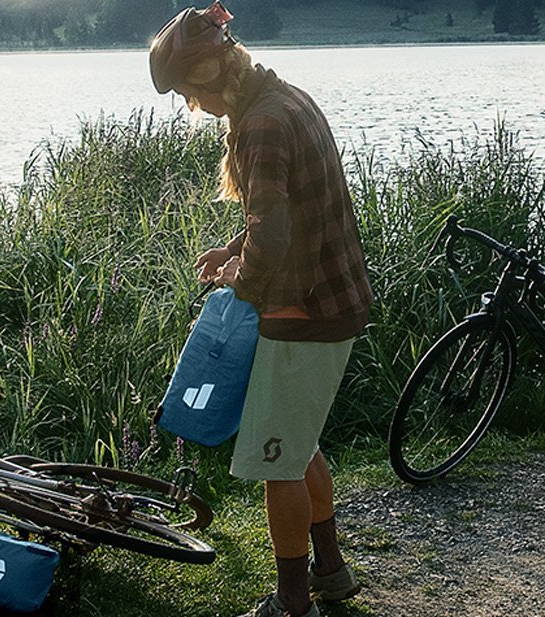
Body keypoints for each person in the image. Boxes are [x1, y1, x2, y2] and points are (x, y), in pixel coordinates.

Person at [150, 3, 372, 616]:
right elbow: (283, 217)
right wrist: (233, 247)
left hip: (303, 311)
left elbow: (274, 241)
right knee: (299, 447)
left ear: (211, 72)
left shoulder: (259, 124)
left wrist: (236, 284)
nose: (192, 108)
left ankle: (292, 601)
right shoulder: (284, 98)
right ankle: (329, 571)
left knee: (277, 459)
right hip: (332, 300)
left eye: (189, 94)